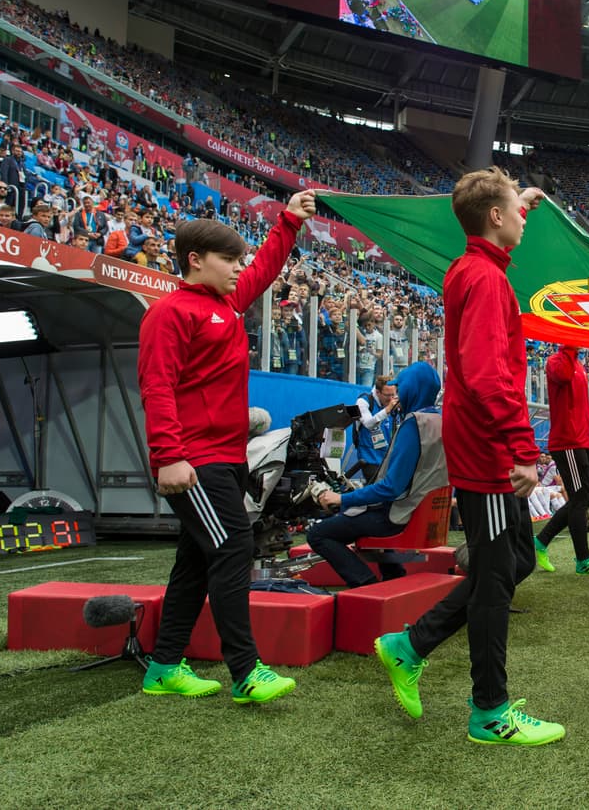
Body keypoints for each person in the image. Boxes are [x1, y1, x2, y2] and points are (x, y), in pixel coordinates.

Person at [373, 167, 564, 746]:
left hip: (480, 443)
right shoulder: (485, 280)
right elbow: (486, 376)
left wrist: (519, 200)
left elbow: (496, 219)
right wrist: (523, 448)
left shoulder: (476, 266)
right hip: (488, 450)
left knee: (508, 565)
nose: (523, 219)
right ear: (496, 218)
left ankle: (410, 645)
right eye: (516, 210)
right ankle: (489, 711)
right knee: (498, 574)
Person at [136, 189, 316, 704]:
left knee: (195, 561)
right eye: (229, 259)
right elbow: (157, 386)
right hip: (193, 461)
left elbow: (263, 272)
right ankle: (245, 671)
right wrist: (169, 456)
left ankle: (164, 666)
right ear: (196, 260)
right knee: (234, 545)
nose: (240, 268)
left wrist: (289, 222)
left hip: (223, 459)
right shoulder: (169, 313)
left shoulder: (226, 304)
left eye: (239, 258)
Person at [309, 362, 445, 587]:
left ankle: (366, 585)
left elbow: (390, 488)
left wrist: (341, 499)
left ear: (412, 388)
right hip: (419, 512)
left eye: (400, 389)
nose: (397, 396)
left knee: (318, 534)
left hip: (399, 516)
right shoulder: (439, 420)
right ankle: (393, 576)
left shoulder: (413, 424)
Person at [533, 344, 589, 575]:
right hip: (567, 442)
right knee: (579, 498)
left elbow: (585, 409)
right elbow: (561, 375)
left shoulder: (579, 365)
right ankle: (582, 559)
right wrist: (569, 346)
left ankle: (541, 541)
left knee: (581, 497)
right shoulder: (556, 361)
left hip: (581, 442)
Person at [354, 375, 397, 484]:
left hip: (388, 457)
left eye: (393, 394)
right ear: (378, 392)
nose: (391, 399)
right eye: (387, 395)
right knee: (376, 488)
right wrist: (387, 410)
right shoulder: (363, 402)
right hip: (369, 457)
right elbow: (369, 424)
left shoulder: (393, 403)